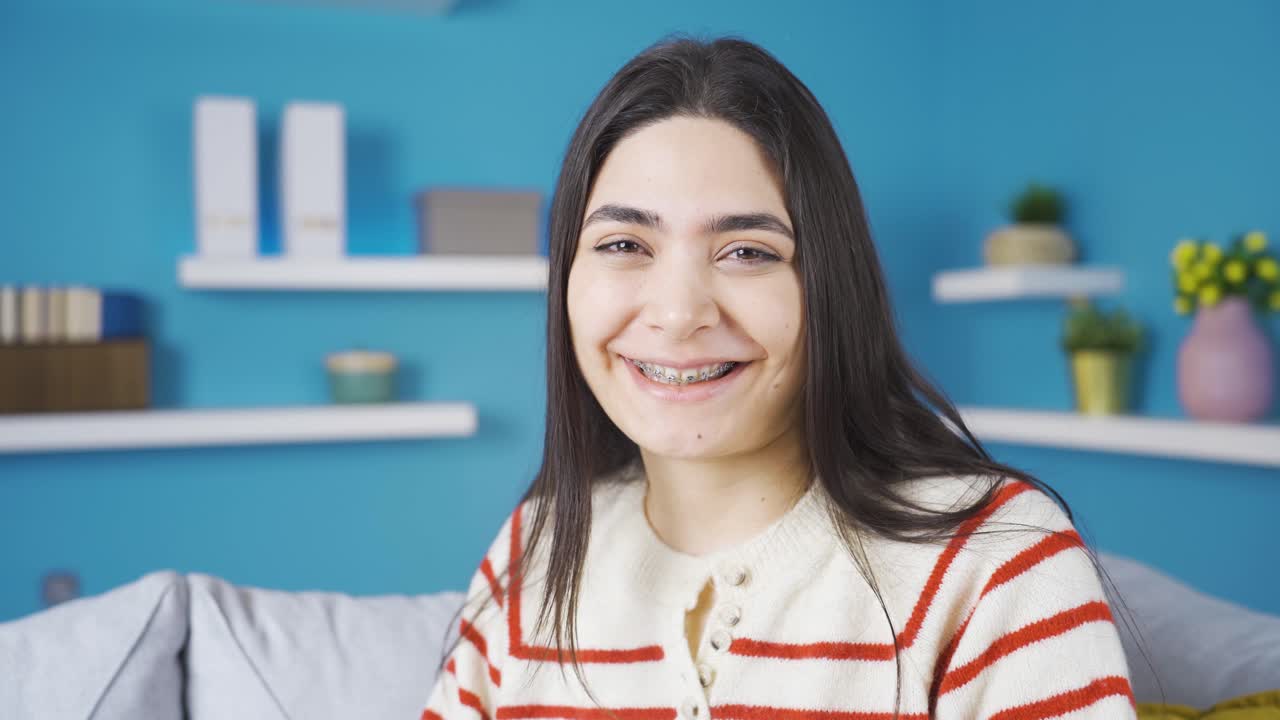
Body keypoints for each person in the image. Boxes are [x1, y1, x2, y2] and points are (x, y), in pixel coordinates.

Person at [422, 35, 1143, 719]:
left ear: (830, 286)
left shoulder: (998, 561)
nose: (678, 314)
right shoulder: (533, 550)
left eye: (747, 252)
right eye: (622, 243)